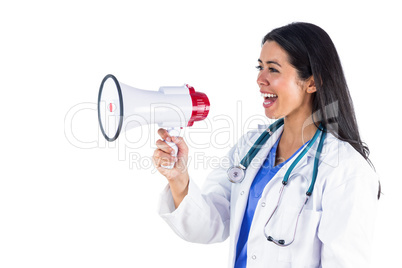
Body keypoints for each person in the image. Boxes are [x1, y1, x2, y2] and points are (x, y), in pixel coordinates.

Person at [152, 22, 380, 268]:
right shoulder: (251, 147)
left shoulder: (345, 170)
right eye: (260, 67)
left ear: (312, 83)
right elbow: (211, 225)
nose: (260, 79)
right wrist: (179, 179)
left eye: (273, 69)